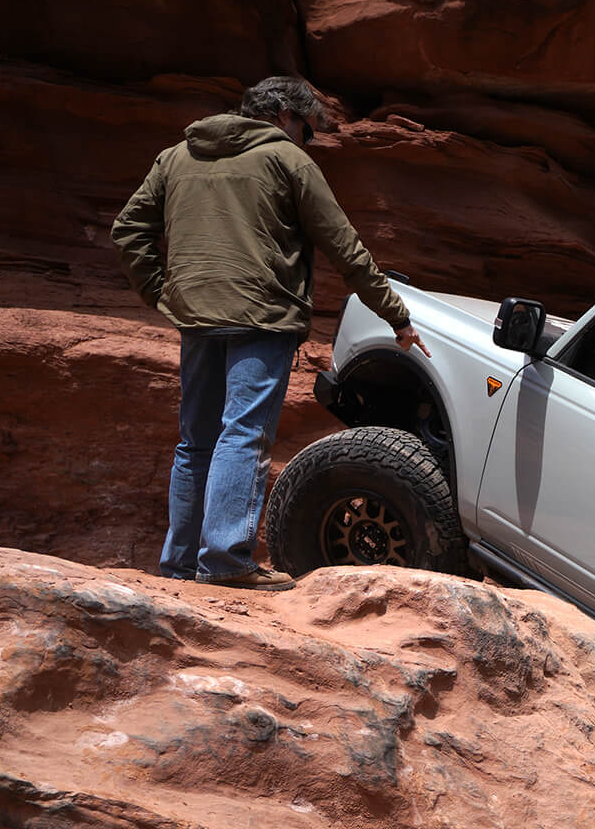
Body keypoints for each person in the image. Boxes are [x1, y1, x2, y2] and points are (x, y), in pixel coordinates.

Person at [112, 75, 429, 591]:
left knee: (195, 441)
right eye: (307, 130)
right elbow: (345, 247)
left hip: (197, 316)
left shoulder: (176, 156)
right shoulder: (288, 160)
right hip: (261, 317)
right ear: (285, 114)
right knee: (243, 434)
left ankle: (179, 566)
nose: (307, 141)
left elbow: (128, 229)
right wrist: (396, 316)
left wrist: (163, 294)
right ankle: (225, 562)